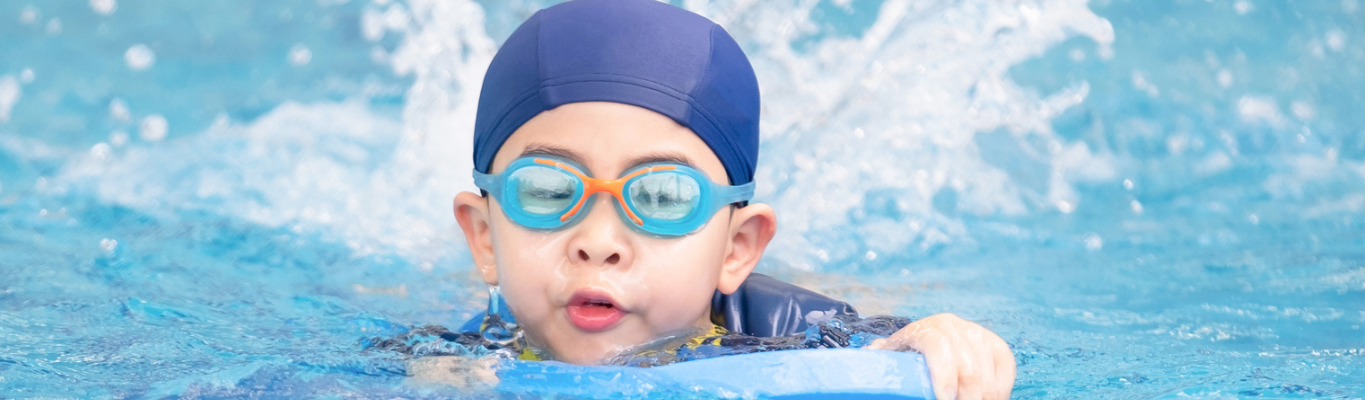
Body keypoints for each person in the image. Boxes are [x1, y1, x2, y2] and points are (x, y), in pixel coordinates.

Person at [379, 0, 1015, 398]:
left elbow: (909, 343)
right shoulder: (458, 354)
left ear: (736, 249)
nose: (597, 242)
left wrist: (944, 339)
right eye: (547, 190)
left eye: (660, 196)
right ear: (484, 238)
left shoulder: (797, 334)